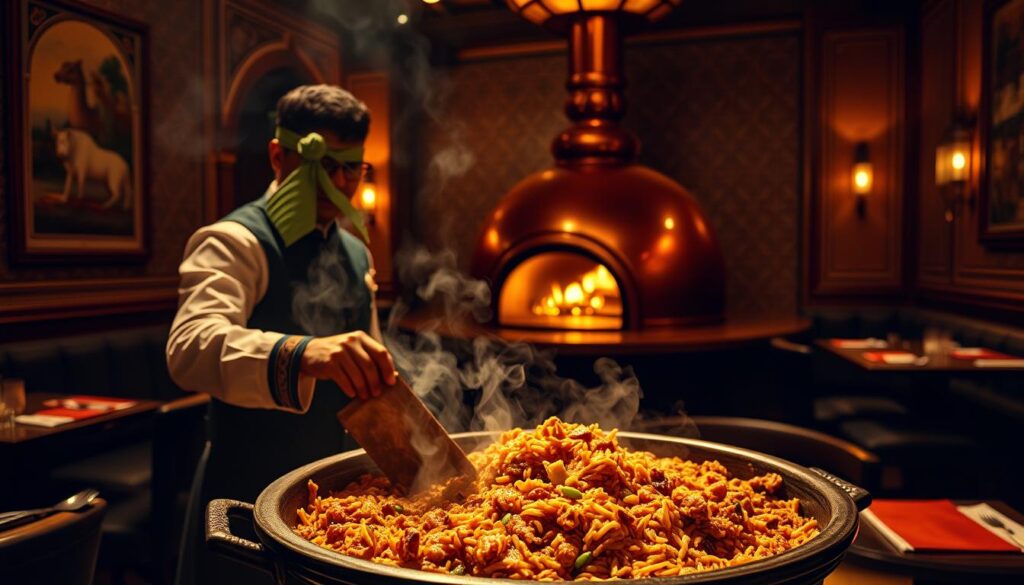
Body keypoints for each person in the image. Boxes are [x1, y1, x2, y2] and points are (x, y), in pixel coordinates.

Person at [166, 84, 397, 584]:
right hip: (249, 487)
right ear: (278, 156)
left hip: (337, 502)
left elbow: (371, 371)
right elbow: (188, 348)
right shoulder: (235, 240)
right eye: (323, 167)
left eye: (351, 168)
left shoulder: (358, 253)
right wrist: (305, 352)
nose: (339, 183)